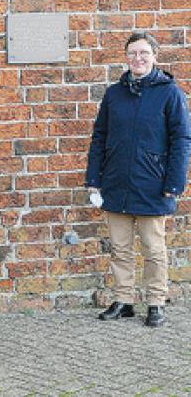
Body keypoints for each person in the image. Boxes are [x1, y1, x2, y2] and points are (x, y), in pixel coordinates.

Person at [86, 31, 190, 328]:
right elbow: (99, 137)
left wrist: (173, 184)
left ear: (154, 56)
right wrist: (94, 178)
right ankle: (124, 300)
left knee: (153, 250)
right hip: (116, 182)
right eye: (132, 53)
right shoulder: (114, 94)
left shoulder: (170, 93)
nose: (138, 58)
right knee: (120, 249)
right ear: (126, 57)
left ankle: (156, 302)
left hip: (153, 184)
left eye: (144, 53)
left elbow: (181, 140)